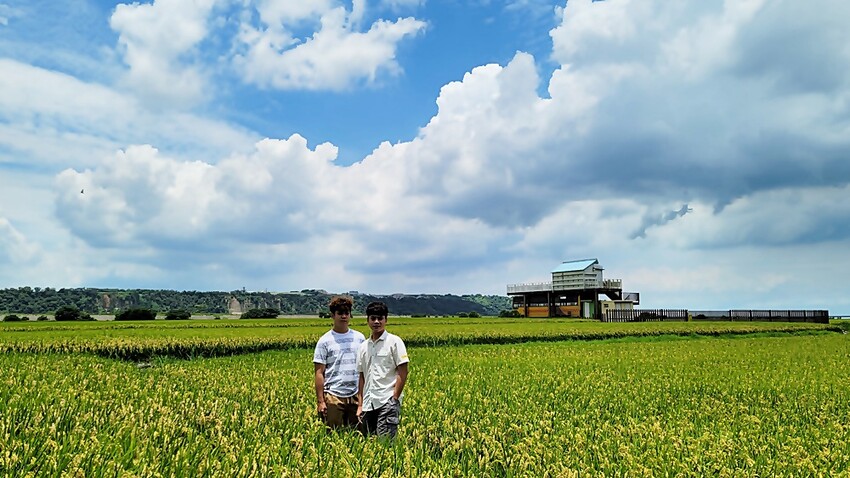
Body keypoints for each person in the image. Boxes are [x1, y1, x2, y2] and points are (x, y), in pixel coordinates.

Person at [356, 301, 409, 438]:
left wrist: (394, 398)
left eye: (380, 318)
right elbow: (362, 376)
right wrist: (360, 405)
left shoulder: (394, 342)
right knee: (369, 442)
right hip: (368, 403)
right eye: (373, 318)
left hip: (387, 401)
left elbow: (403, 371)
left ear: (386, 320)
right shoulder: (363, 347)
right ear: (367, 320)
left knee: (385, 445)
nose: (376, 322)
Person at [313, 296, 366, 429]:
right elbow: (319, 372)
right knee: (333, 433)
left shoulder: (359, 338)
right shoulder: (324, 341)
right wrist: (320, 401)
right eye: (340, 313)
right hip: (333, 396)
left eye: (346, 313)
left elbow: (365, 369)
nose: (343, 316)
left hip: (356, 395)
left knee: (358, 434)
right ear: (332, 315)